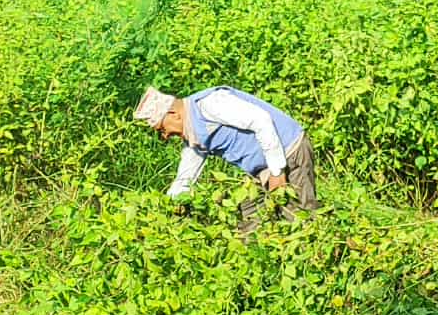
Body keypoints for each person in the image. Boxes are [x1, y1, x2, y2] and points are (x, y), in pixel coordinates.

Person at [134, 87, 320, 234]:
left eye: (161, 129)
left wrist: (277, 172)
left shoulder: (209, 105)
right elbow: (185, 178)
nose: (165, 136)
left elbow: (261, 120)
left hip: (290, 152)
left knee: (299, 220)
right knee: (249, 221)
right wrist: (167, 209)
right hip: (265, 169)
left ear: (173, 113)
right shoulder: (193, 136)